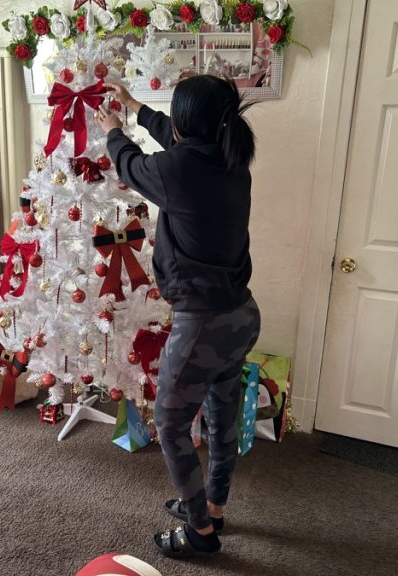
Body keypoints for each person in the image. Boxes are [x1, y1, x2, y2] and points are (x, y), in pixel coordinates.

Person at [96, 75, 261, 558]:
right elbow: (175, 139)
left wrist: (112, 127)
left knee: (169, 425)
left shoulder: (177, 171)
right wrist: (135, 107)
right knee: (220, 413)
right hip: (241, 315)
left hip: (203, 324)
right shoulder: (231, 158)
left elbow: (132, 164)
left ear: (190, 120)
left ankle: (199, 535)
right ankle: (212, 507)